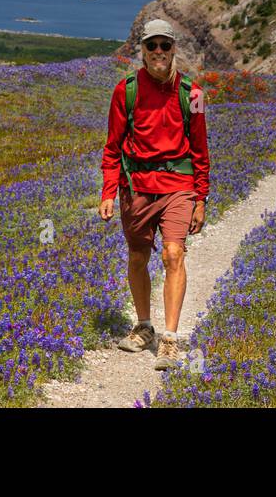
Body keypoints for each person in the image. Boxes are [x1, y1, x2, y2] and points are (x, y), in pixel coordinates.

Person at [99, 18, 209, 369]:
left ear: (174, 48)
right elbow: (112, 147)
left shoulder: (193, 95)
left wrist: (201, 198)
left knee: (173, 254)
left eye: (165, 45)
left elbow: (201, 150)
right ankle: (144, 326)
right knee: (137, 257)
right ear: (142, 51)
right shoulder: (125, 90)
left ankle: (170, 339)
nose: (158, 52)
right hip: (137, 190)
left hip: (179, 186)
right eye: (152, 46)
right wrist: (108, 191)